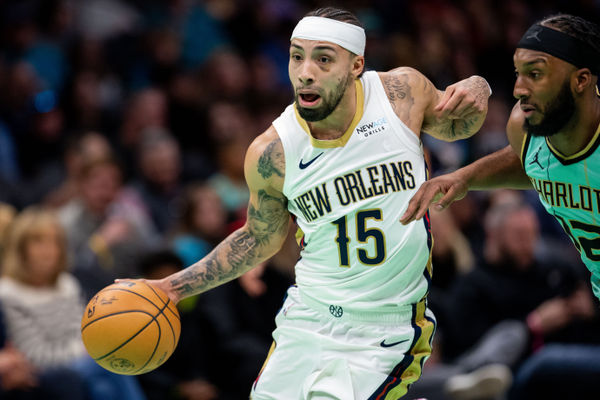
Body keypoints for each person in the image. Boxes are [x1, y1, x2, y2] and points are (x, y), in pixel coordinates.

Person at [128, 7, 491, 398]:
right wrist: (173, 287)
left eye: (323, 59)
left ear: (356, 65)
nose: (305, 71)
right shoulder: (273, 150)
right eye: (296, 55)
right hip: (307, 318)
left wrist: (478, 88)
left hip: (386, 325)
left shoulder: (400, 94)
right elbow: (258, 237)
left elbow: (457, 126)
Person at [400, 14, 600, 300]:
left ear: (580, 80)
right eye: (518, 73)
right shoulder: (525, 127)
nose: (519, 89)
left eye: (536, 74)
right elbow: (532, 163)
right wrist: (463, 178)